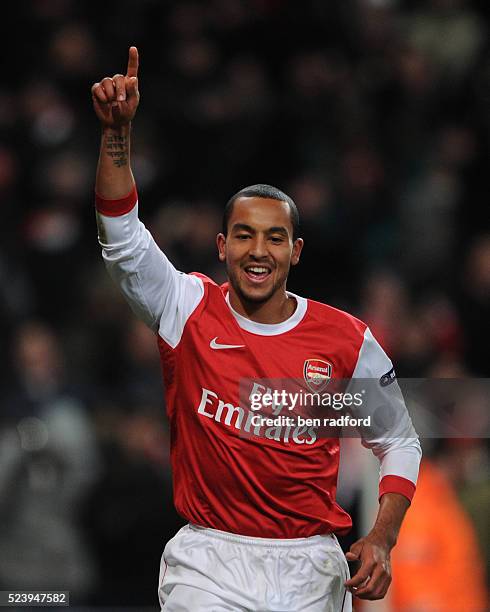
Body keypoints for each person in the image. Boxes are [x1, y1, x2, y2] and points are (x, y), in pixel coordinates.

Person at [91, 47, 422, 612]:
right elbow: (121, 239)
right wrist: (118, 137)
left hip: (311, 568)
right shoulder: (186, 308)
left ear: (295, 252)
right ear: (222, 247)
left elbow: (398, 442)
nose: (258, 251)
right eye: (243, 235)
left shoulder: (343, 340)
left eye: (273, 238)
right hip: (209, 563)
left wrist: (383, 536)